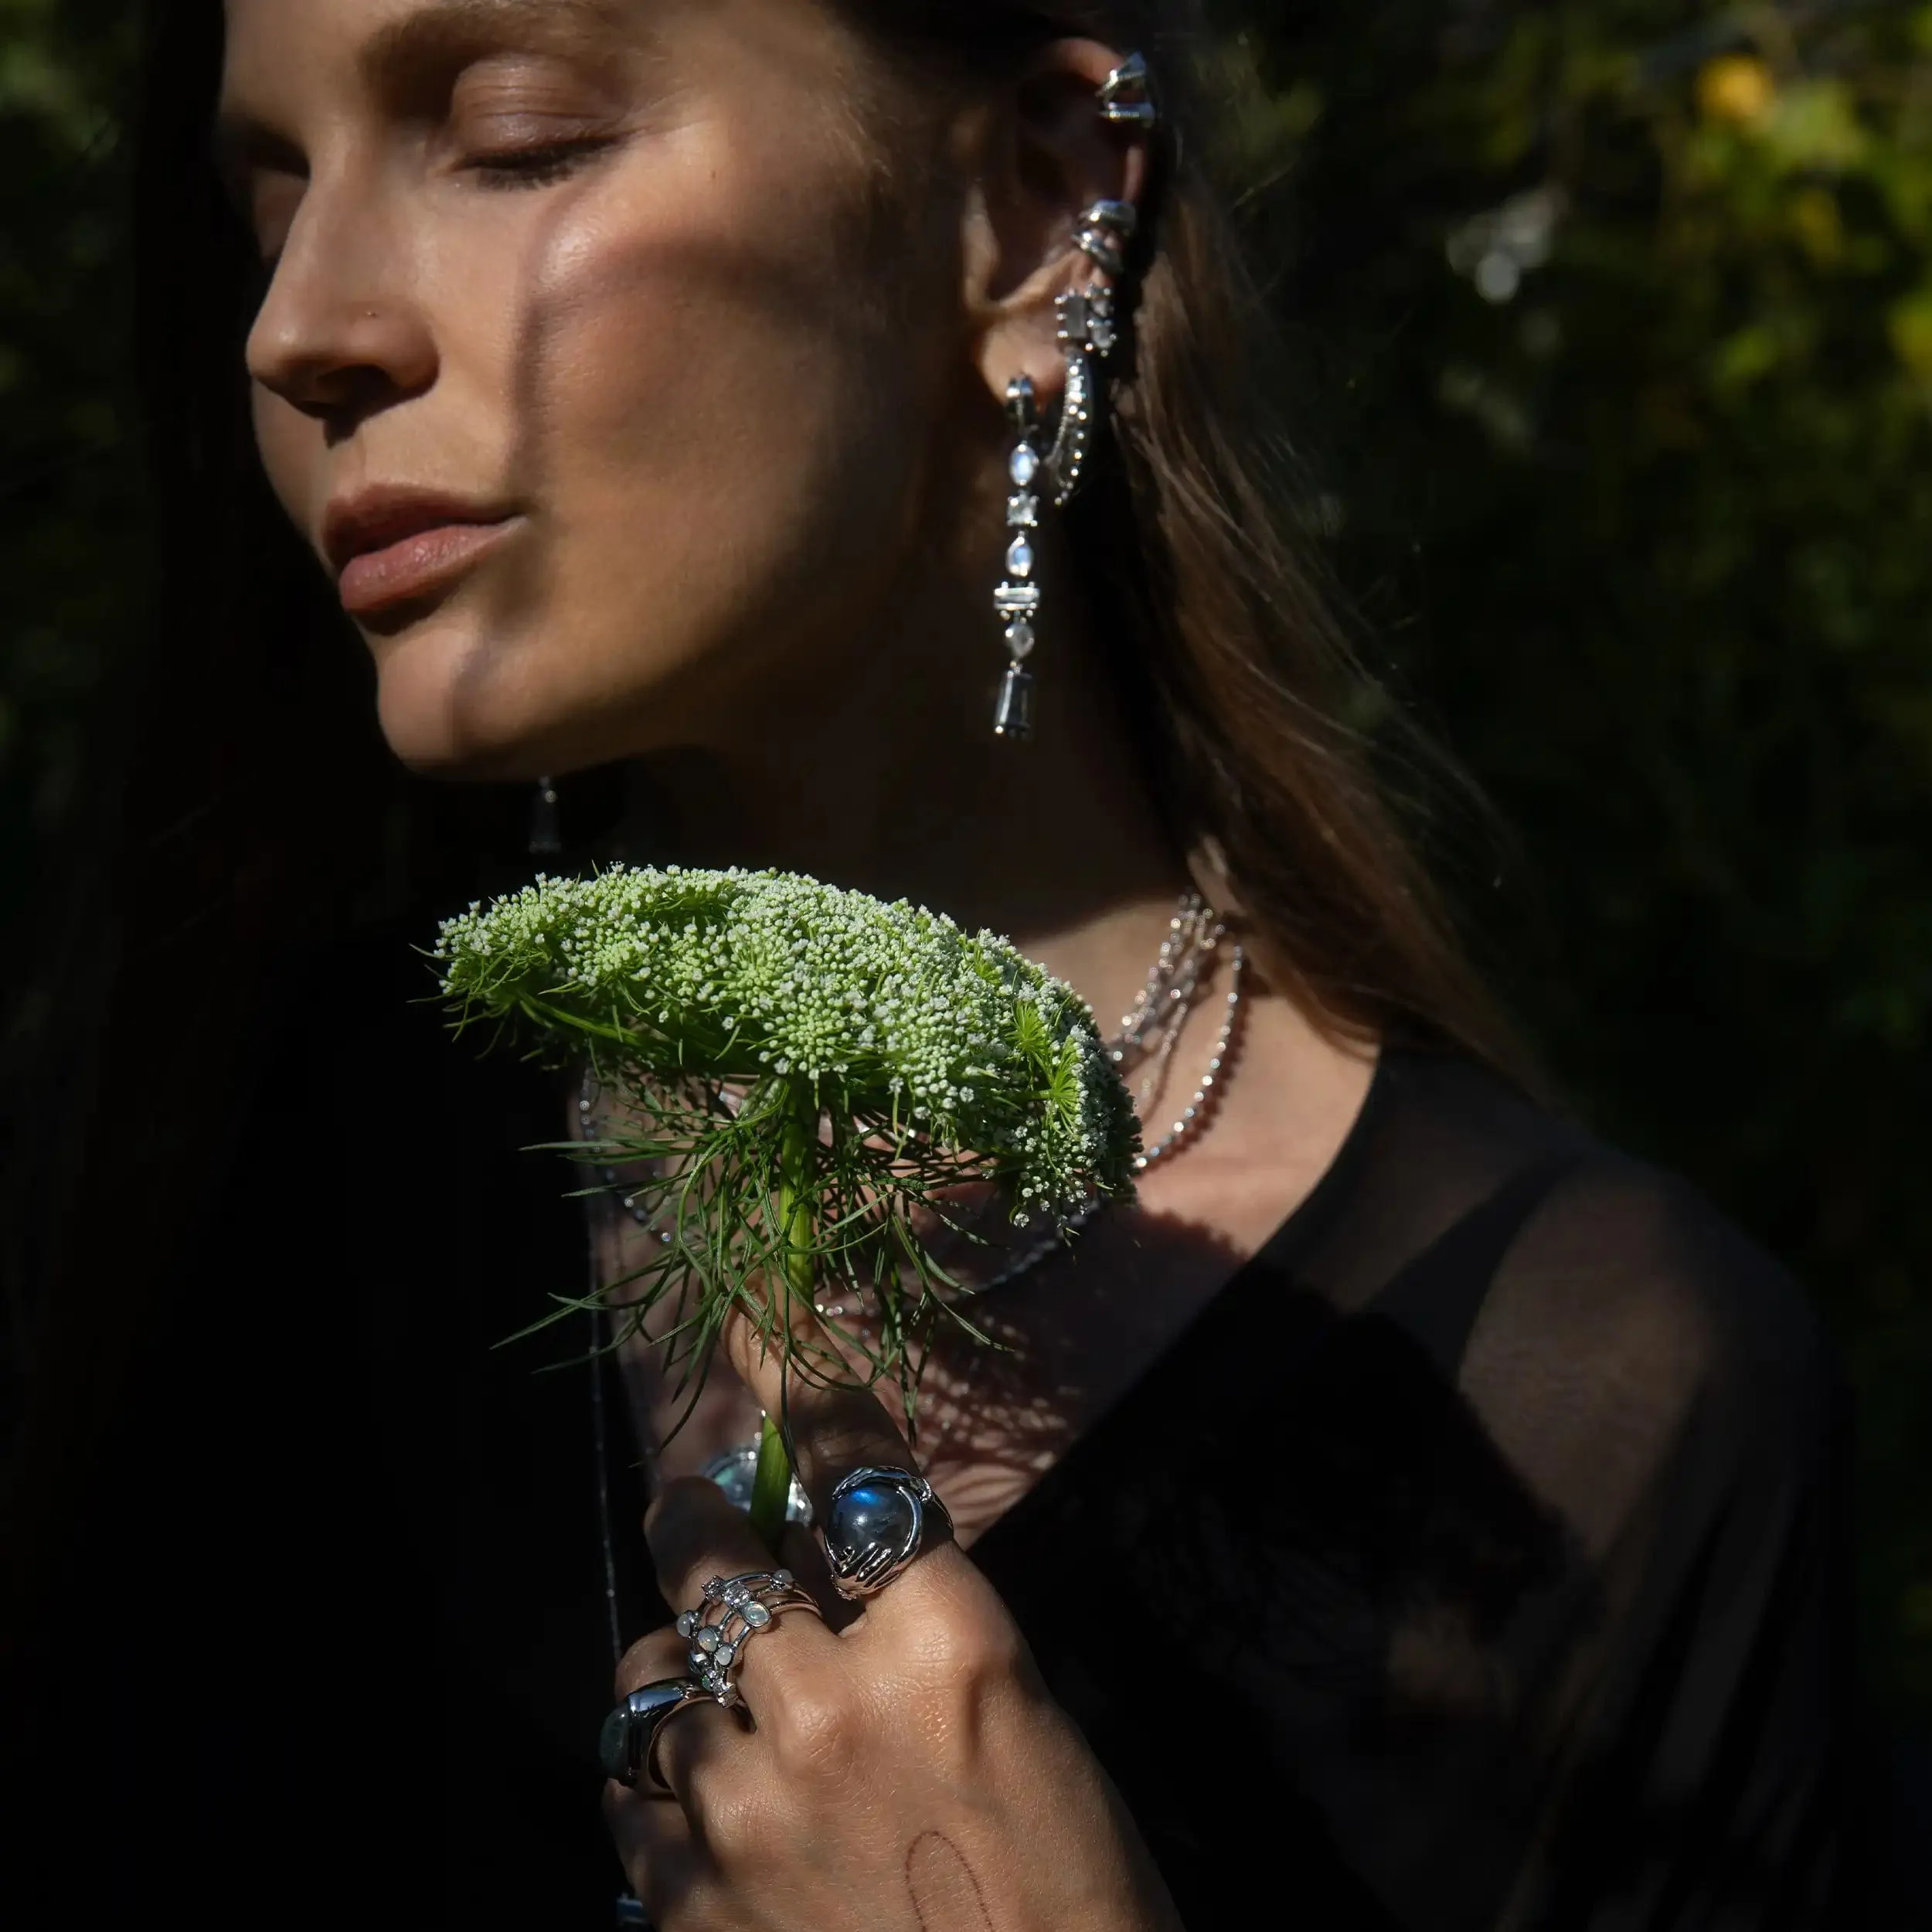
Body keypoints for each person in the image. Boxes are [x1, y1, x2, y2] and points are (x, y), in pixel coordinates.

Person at [9, 0, 1848, 1927]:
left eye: (516, 134)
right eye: (271, 198)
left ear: (1030, 206)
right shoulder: (242, 1174)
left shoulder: (1605, 1401)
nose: (299, 326)